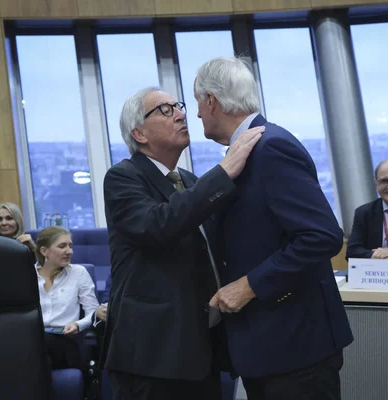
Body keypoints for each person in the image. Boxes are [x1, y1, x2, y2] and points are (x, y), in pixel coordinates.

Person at [196, 56, 352, 400]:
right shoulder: (248, 151)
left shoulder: (271, 147)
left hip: (297, 347)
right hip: (269, 347)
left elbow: (322, 235)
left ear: (211, 100)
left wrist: (248, 286)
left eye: (197, 103)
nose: (196, 115)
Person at [101, 86, 263, 400]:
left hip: (199, 350)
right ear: (139, 133)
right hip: (151, 355)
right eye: (164, 110)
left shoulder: (189, 181)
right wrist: (224, 171)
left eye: (179, 106)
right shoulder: (123, 177)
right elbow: (157, 225)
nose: (180, 114)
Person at [35, 226, 99, 370]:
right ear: (44, 251)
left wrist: (78, 325)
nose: (69, 251)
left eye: (70, 246)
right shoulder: (28, 275)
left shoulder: (79, 273)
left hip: (66, 341)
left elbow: (93, 313)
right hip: (34, 340)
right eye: (62, 246)